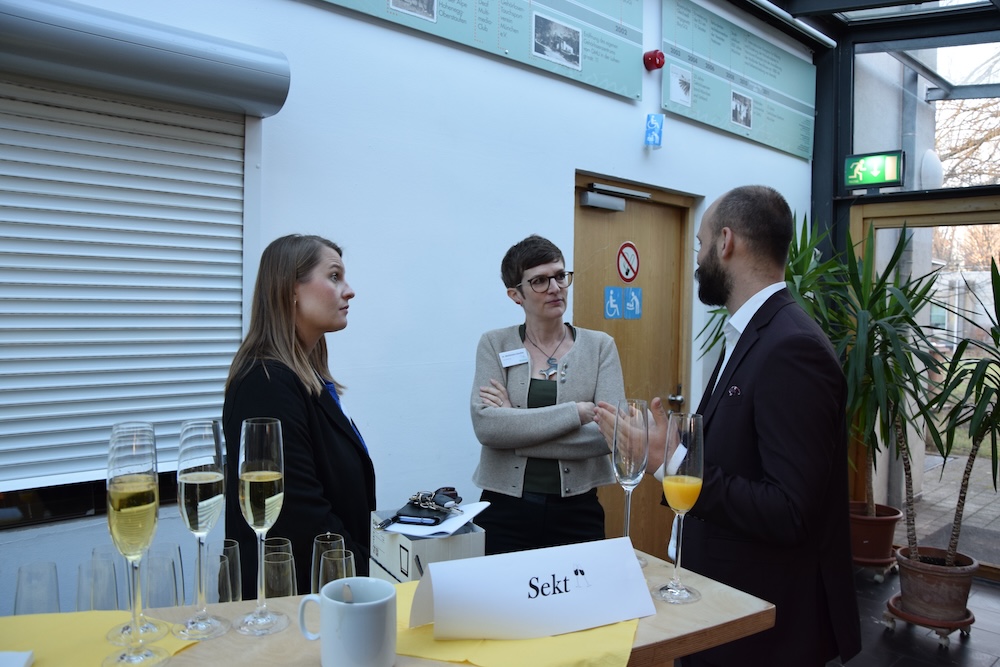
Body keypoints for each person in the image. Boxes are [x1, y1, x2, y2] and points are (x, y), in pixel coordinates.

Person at [596, 186, 861, 666]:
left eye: (699, 245)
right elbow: (740, 452)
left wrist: (671, 462)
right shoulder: (751, 333)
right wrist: (674, 445)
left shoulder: (790, 347)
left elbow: (789, 510)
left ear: (725, 242)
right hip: (723, 605)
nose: (697, 259)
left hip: (763, 628)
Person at [223, 234, 375, 597]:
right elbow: (298, 514)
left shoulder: (306, 380)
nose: (349, 290)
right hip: (289, 603)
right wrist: (371, 578)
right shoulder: (266, 384)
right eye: (334, 276)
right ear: (291, 289)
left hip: (320, 591)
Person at [471, 234, 625, 555]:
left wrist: (515, 425)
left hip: (577, 511)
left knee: (579, 604)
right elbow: (488, 429)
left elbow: (610, 436)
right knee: (504, 603)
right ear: (516, 294)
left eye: (560, 276)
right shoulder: (494, 345)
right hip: (504, 510)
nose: (555, 287)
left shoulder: (600, 347)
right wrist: (578, 414)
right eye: (539, 281)